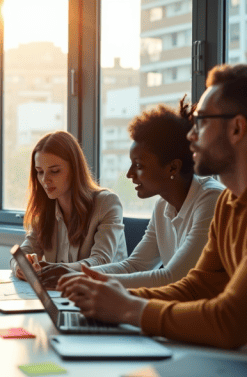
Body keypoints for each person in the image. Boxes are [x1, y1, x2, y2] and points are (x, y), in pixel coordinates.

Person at [59, 64, 247, 366]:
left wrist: (128, 309)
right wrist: (114, 297)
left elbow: (230, 322)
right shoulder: (230, 202)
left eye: (202, 122)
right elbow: (196, 287)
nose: (191, 135)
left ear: (237, 128)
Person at [82, 97, 224, 288]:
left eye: (139, 165)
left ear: (173, 168)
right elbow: (134, 266)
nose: (130, 174)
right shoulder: (163, 205)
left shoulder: (211, 201)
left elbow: (173, 278)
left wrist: (83, 279)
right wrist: (69, 272)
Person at [11, 130, 127, 288]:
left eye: (55, 171)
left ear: (75, 169)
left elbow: (101, 261)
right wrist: (20, 266)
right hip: (64, 294)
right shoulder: (47, 208)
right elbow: (22, 252)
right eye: (40, 172)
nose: (45, 180)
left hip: (106, 294)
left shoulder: (107, 203)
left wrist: (58, 270)